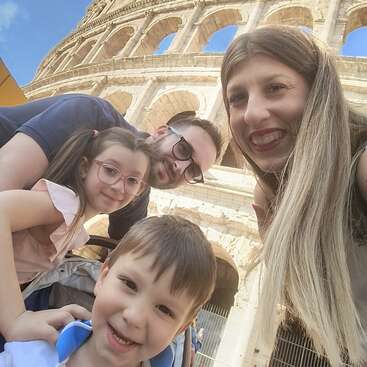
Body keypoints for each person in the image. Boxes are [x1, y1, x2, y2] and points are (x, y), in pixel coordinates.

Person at [221, 25, 367, 365]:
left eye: (275, 88)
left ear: (318, 93)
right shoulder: (271, 196)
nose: (253, 113)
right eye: (237, 98)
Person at [0, 127, 152, 347]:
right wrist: (15, 319)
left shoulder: (74, 219)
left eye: (132, 181)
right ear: (84, 167)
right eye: (110, 170)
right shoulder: (66, 204)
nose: (120, 186)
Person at [0, 215, 217, 367]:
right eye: (130, 284)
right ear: (103, 277)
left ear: (181, 328)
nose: (134, 317)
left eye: (164, 309)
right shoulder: (28, 353)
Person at [0, 94, 222, 240]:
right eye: (183, 150)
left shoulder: (135, 194)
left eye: (193, 171)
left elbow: (123, 250)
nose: (180, 167)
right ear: (161, 132)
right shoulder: (90, 114)